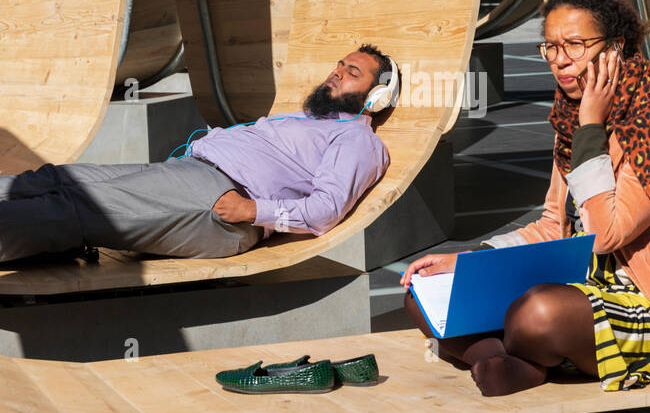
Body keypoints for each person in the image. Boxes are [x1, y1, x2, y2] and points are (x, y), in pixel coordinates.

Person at [402, 0, 650, 396]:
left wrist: (591, 127)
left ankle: (518, 354)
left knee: (537, 314)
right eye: (551, 47)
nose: (559, 59)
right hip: (575, 282)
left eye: (574, 45)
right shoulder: (570, 113)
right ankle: (509, 361)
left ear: (615, 47)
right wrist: (470, 262)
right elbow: (556, 224)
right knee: (426, 293)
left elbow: (606, 235)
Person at [0, 45, 396, 262]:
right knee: (57, 179)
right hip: (191, 175)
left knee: (78, 207)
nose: (338, 72)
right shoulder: (312, 121)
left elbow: (326, 208)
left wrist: (251, 210)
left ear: (375, 97)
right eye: (340, 64)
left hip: (218, 196)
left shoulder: (358, 141)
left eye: (352, 73)